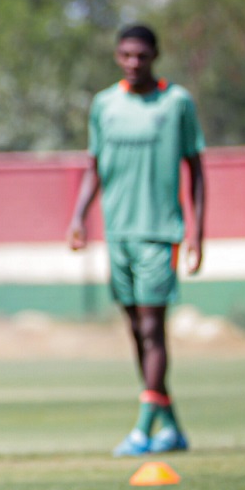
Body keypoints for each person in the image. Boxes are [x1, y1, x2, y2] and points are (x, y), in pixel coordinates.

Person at [67, 24, 206, 457]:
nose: (134, 62)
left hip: (159, 233)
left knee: (152, 328)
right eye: (126, 55)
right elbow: (94, 165)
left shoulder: (176, 102)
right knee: (136, 331)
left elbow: (197, 170)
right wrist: (79, 216)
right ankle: (173, 427)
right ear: (117, 56)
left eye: (141, 56)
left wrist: (198, 231)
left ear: (155, 56)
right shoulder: (105, 105)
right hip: (119, 234)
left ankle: (144, 427)